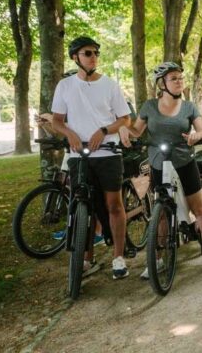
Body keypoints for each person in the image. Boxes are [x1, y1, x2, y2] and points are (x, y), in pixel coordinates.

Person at [119, 62, 202, 276]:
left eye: (180, 78)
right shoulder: (149, 107)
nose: (179, 81)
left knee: (199, 210)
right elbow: (137, 131)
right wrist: (124, 129)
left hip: (184, 161)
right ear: (162, 83)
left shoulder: (189, 107)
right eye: (173, 78)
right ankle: (156, 260)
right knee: (162, 212)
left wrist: (196, 135)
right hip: (158, 163)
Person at [51, 36, 132, 279]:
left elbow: (125, 119)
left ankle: (119, 257)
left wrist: (104, 131)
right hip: (79, 156)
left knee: (113, 205)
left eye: (96, 52)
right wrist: (70, 134)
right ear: (75, 57)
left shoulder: (109, 85)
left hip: (107, 153)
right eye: (88, 53)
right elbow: (56, 120)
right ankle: (86, 258)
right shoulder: (64, 86)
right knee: (82, 205)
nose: (93, 56)